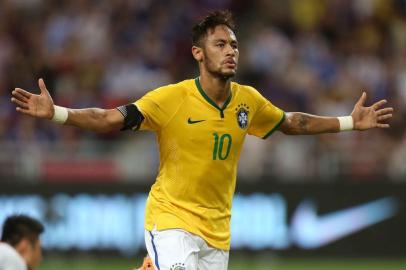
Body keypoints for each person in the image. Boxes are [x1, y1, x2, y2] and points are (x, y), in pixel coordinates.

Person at [11, 10, 393, 270]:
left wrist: (348, 122)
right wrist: (58, 113)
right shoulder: (171, 99)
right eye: (220, 45)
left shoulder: (248, 100)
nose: (231, 52)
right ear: (198, 53)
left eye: (234, 46)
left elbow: (292, 123)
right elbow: (109, 118)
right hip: (171, 219)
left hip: (218, 231)